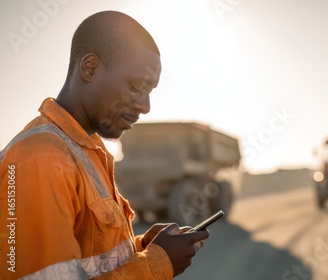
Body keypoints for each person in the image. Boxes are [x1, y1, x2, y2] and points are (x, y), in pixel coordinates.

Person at [0, 11, 209, 279]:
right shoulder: (42, 159)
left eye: (150, 92)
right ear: (90, 68)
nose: (145, 106)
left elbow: (87, 261)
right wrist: (156, 264)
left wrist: (143, 247)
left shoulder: (88, 150)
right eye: (136, 87)